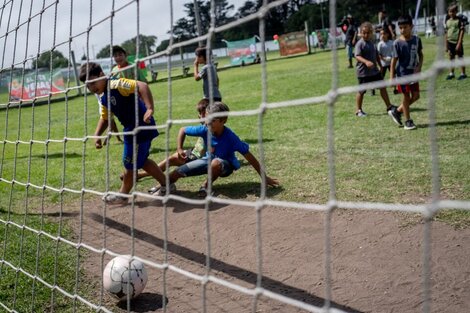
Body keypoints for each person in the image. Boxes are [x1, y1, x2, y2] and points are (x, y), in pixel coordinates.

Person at [79, 62, 168, 204]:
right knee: (142, 161)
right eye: (88, 85)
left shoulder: (117, 84)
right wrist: (97, 135)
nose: (91, 88)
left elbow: (142, 86)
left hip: (140, 128)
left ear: (102, 75)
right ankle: (167, 185)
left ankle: (123, 195)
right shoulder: (103, 98)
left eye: (94, 82)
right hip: (130, 130)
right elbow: (105, 118)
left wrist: (149, 108)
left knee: (129, 164)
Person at [161, 101, 279, 198]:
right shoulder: (205, 129)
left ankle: (206, 186)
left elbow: (249, 156)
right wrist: (179, 148)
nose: (207, 122)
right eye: (207, 118)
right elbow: (182, 130)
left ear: (223, 121)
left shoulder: (231, 137)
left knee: (215, 163)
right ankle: (164, 186)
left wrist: (264, 177)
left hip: (224, 166)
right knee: (177, 172)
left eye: (212, 120)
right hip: (206, 161)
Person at [354, 22, 397, 119]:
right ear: (360, 33)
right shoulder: (360, 44)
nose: (366, 35)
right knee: (361, 91)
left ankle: (389, 106)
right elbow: (357, 56)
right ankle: (358, 110)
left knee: (382, 87)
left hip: (374, 71)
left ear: (371, 33)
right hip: (363, 73)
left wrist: (380, 64)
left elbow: (376, 54)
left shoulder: (372, 42)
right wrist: (366, 62)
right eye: (364, 33)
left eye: (368, 33)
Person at [390, 15, 424, 131]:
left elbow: (420, 54)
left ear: (411, 26)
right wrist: (392, 78)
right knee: (406, 96)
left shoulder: (417, 40)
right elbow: (393, 61)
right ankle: (408, 121)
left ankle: (397, 111)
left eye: (405, 27)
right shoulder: (397, 43)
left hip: (413, 74)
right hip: (402, 75)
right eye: (401, 28)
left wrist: (419, 67)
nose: (403, 30)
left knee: (416, 96)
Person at [445, 3, 467, 80]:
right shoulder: (447, 21)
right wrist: (446, 44)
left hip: (457, 42)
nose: (451, 13)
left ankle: (463, 74)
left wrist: (459, 43)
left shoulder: (459, 20)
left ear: (456, 11)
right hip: (450, 42)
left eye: (453, 11)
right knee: (451, 57)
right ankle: (451, 73)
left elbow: (462, 31)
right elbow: (446, 33)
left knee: (460, 57)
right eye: (450, 11)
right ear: (448, 12)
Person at [377, 28, 398, 94]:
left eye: (384, 34)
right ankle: (374, 89)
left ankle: (395, 89)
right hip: (383, 64)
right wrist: (384, 58)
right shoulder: (380, 44)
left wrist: (392, 58)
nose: (382, 35)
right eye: (381, 34)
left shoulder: (392, 43)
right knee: (380, 77)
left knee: (394, 75)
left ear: (388, 34)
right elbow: (378, 54)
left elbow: (394, 52)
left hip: (391, 63)